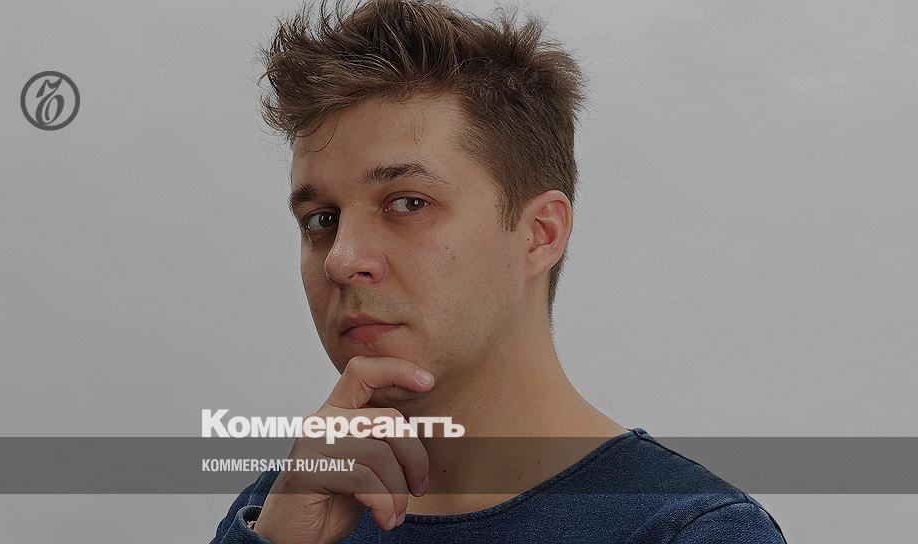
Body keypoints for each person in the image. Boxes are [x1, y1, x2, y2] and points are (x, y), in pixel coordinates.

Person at [212, 0, 786, 542]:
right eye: (321, 219)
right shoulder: (285, 509)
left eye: (407, 203)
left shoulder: (687, 530)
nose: (342, 259)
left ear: (540, 234)